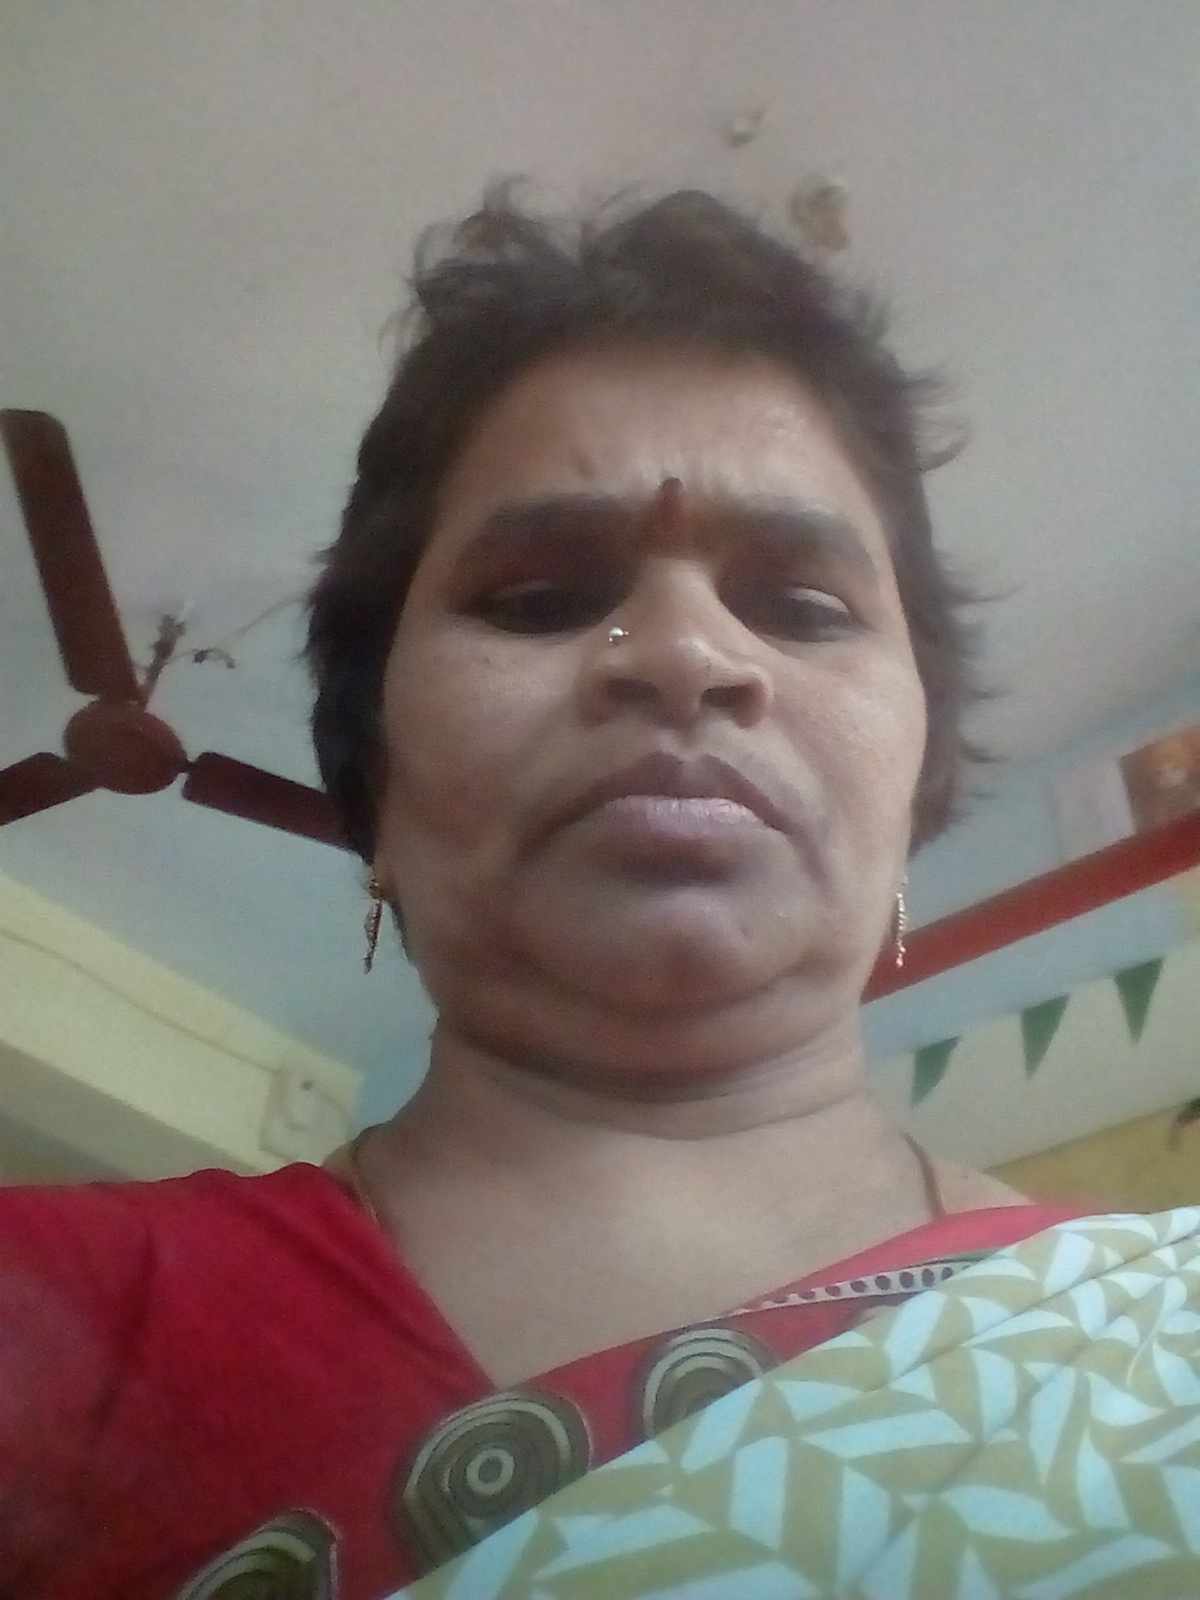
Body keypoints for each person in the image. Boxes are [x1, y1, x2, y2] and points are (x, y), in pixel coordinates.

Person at [2, 188, 1196, 1600]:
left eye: (803, 607)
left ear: (916, 783)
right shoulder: (49, 1318)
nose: (685, 652)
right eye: (537, 599)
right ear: (371, 770)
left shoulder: (1159, 1343)